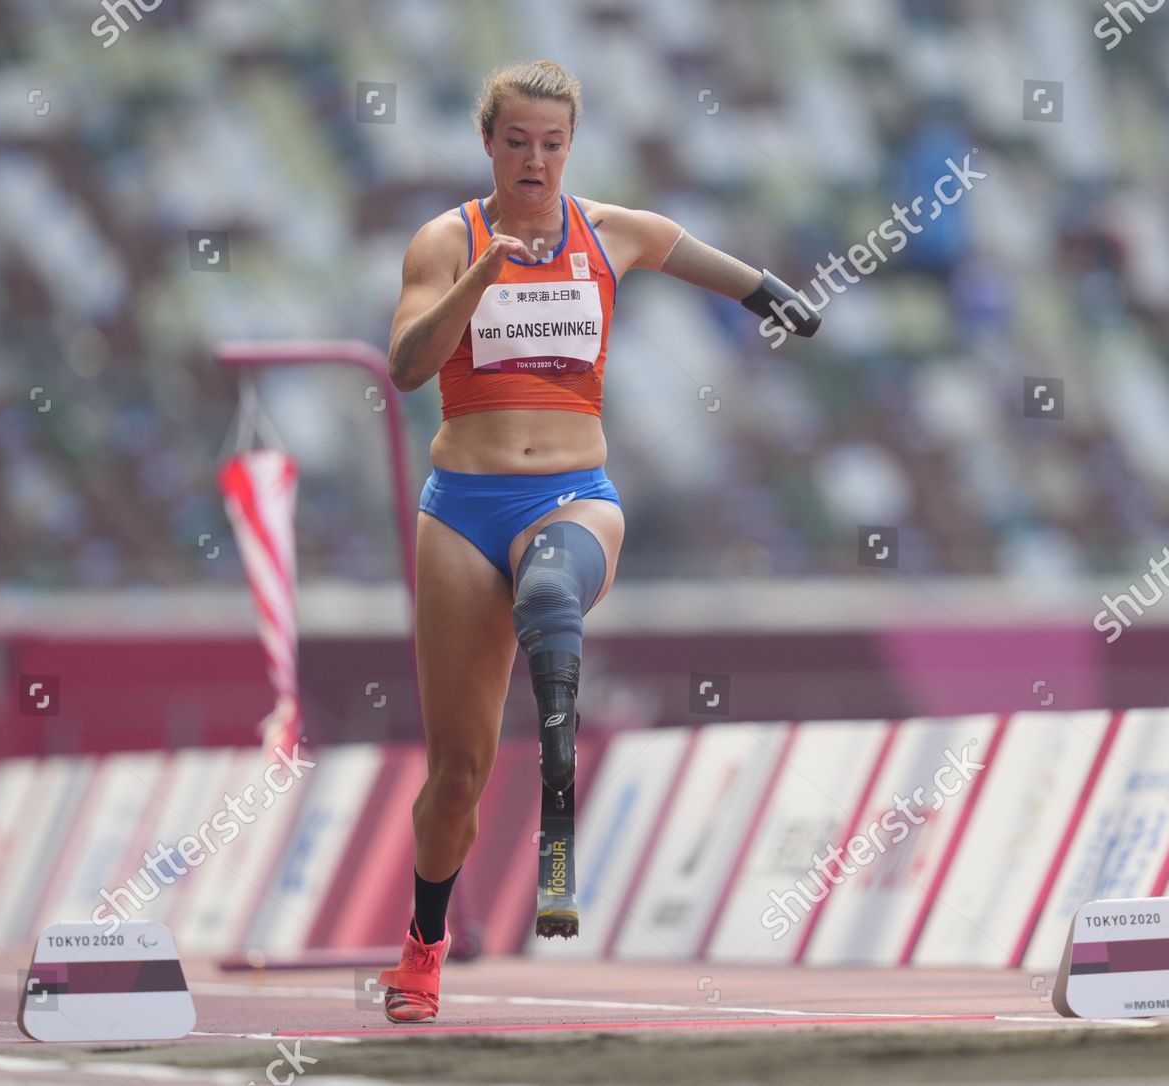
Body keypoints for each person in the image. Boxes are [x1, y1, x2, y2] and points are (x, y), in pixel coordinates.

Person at [375, 59, 817, 1024]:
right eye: (518, 142)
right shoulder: (445, 241)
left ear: (570, 148)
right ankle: (422, 946)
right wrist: (483, 276)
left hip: (575, 493)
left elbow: (706, 261)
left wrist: (776, 298)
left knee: (548, 593)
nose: (535, 160)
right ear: (488, 144)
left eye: (553, 144)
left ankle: (561, 764)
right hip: (462, 510)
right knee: (456, 777)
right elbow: (406, 366)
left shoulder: (611, 233)